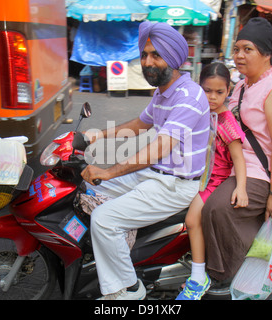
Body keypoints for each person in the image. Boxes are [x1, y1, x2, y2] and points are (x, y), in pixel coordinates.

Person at [81, 21, 210, 300]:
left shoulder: (189, 96)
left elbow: (160, 147)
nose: (147, 62)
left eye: (156, 55)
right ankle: (105, 256)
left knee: (104, 219)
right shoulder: (162, 92)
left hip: (173, 186)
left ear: (174, 58)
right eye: (144, 54)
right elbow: (140, 124)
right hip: (154, 175)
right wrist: (95, 137)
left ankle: (128, 289)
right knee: (88, 191)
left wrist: (108, 172)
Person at [201, 17, 272, 290]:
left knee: (218, 208)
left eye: (248, 49)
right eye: (237, 49)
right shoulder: (244, 85)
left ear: (267, 53)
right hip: (236, 163)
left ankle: (225, 273)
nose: (239, 55)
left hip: (263, 173)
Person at [176, 63, 248, 300]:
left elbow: (238, 158)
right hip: (195, 175)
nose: (213, 97)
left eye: (219, 92)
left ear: (229, 91)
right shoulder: (202, 114)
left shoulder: (226, 122)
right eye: (207, 91)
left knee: (191, 219)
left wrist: (241, 188)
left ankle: (198, 277)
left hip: (213, 182)